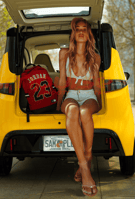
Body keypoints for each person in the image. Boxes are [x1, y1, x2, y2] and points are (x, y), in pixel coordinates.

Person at [56, 18, 101, 197]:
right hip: (71, 95)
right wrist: (59, 103)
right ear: (73, 34)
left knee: (84, 111)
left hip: (89, 94)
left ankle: (87, 155)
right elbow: (61, 81)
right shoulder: (64, 53)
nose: (81, 32)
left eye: (84, 29)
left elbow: (96, 85)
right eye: (77, 29)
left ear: (89, 34)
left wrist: (100, 104)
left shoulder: (95, 56)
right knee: (74, 110)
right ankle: (84, 166)